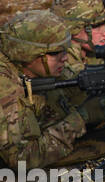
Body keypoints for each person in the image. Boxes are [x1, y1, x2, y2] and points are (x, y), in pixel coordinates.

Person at [0, 10, 85, 169]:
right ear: (28, 54)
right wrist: (78, 122)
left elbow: (72, 84)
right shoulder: (5, 86)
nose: (65, 58)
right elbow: (20, 159)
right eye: (55, 53)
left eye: (65, 50)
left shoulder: (34, 69)